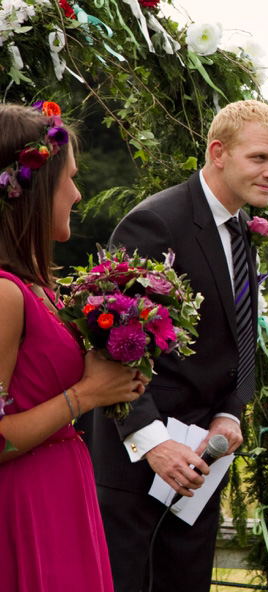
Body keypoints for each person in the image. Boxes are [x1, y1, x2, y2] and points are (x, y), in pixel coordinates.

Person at [80, 100, 268, 591]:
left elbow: (241, 336)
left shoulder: (240, 228)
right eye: (260, 158)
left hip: (199, 463)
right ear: (218, 152)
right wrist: (154, 444)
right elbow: (109, 347)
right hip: (138, 467)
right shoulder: (156, 223)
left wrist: (230, 413)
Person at [0, 101, 145, 591]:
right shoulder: (4, 293)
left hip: (64, 488)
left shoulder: (40, 285)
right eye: (71, 179)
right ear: (37, 189)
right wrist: (86, 394)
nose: (78, 194)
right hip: (24, 505)